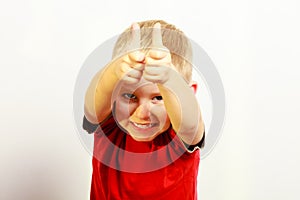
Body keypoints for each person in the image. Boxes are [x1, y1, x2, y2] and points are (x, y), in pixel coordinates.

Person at [83, 20, 205, 200]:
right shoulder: (110, 127)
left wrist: (169, 79)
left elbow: (190, 124)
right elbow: (92, 106)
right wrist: (114, 71)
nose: (142, 114)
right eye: (130, 96)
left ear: (190, 93)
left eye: (158, 97)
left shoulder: (178, 138)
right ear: (113, 95)